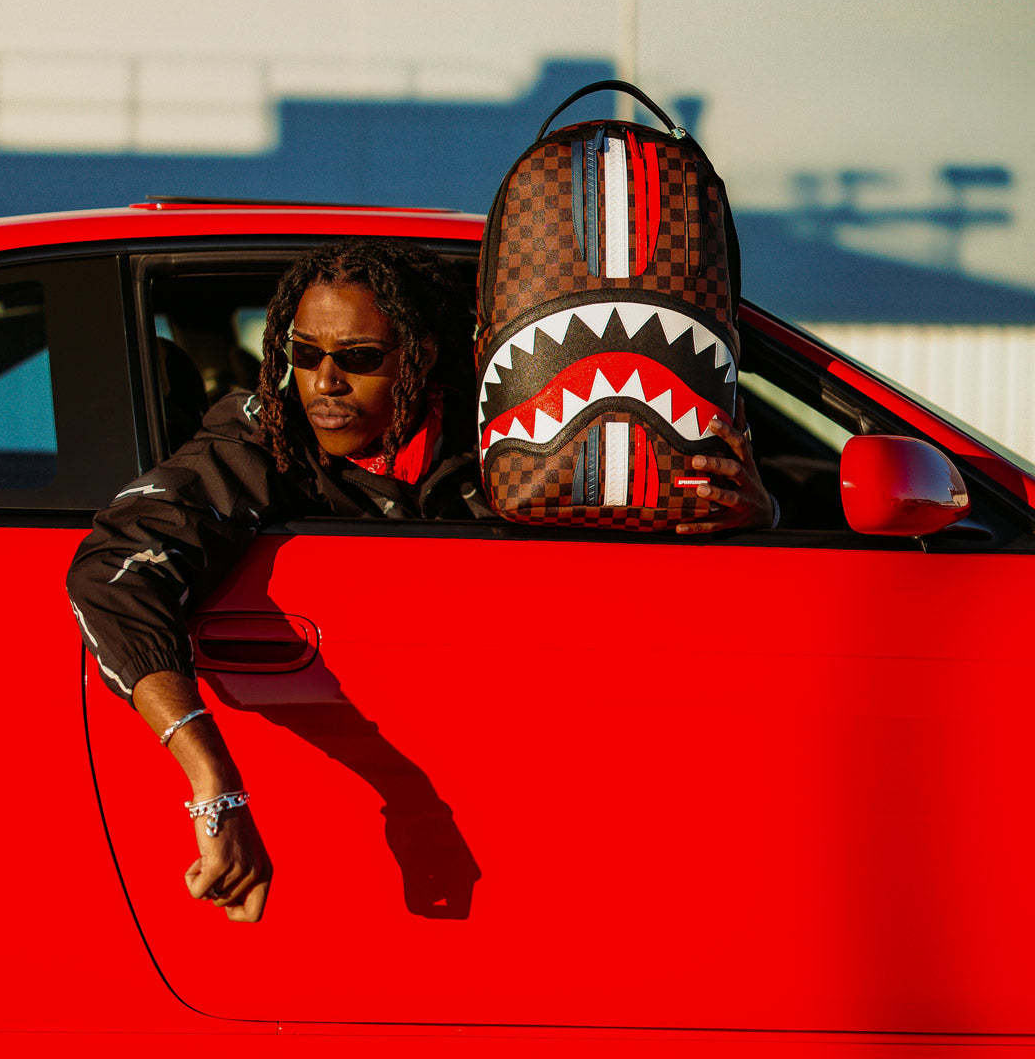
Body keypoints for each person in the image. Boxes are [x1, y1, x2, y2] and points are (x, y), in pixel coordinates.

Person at [68, 241, 775, 923]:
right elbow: (114, 572)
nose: (324, 383)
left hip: (571, 793)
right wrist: (213, 785)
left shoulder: (523, 436)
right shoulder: (265, 437)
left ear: (421, 357)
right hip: (354, 852)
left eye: (359, 358)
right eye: (303, 355)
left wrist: (754, 515)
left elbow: (647, 545)